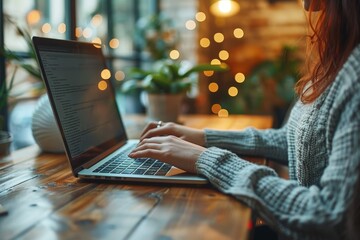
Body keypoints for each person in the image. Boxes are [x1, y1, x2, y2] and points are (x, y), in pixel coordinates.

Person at [129, 0, 360, 239]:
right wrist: (204, 138)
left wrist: (205, 158)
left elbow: (333, 217)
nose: (306, 5)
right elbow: (299, 140)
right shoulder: (343, 55)